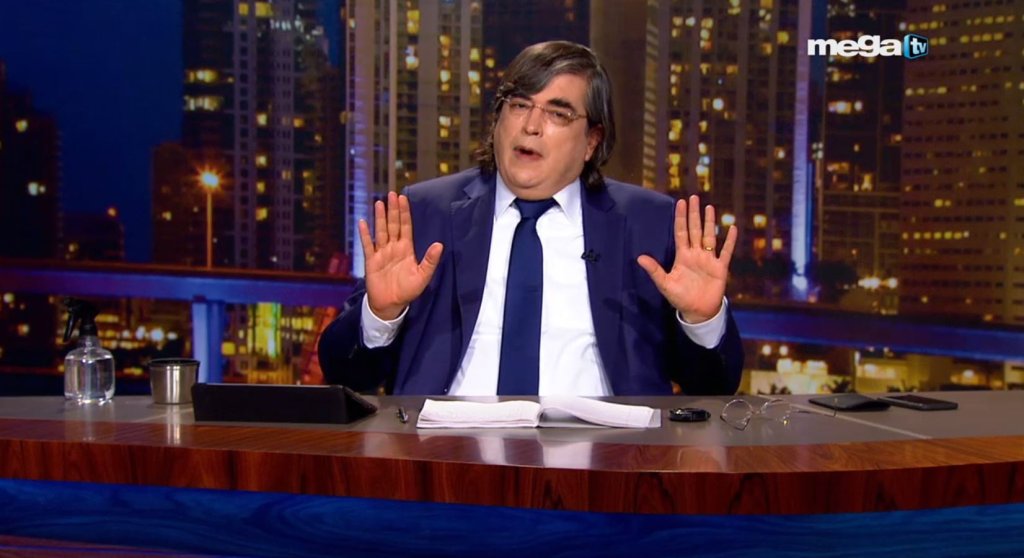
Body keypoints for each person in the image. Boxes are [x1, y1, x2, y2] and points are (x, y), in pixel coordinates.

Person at [318, 41, 744, 396]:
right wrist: (381, 315)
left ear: (591, 141)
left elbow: (712, 388)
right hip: (445, 456)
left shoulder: (647, 224)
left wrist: (701, 322)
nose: (532, 126)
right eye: (520, 105)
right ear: (498, 120)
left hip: (604, 458)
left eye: (558, 114)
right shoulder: (425, 214)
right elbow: (345, 376)